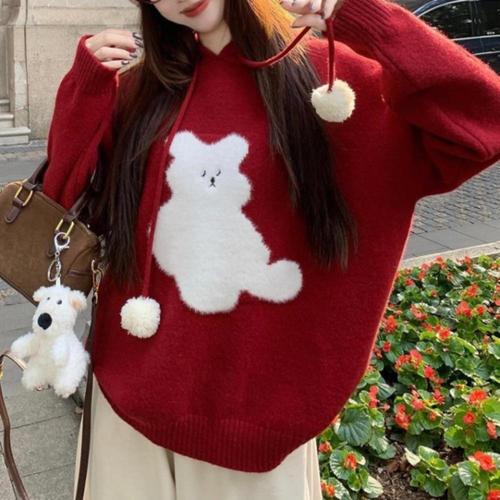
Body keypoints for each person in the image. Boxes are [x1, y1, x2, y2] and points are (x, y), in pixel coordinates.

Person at [42, 0, 500, 497]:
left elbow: (482, 125)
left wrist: (365, 18)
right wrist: (84, 90)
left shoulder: (331, 84)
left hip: (256, 418)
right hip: (126, 403)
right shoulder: (142, 90)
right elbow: (62, 202)